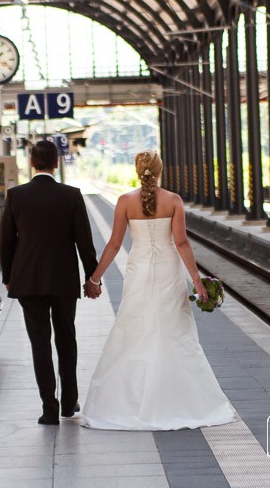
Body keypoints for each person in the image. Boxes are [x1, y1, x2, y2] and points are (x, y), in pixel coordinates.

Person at [81, 150, 238, 430]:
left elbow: (114, 245)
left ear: (136, 170)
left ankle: (132, 399)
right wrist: (198, 281)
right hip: (169, 272)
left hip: (139, 271)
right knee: (175, 331)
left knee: (135, 329)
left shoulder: (125, 201)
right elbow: (181, 243)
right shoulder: (173, 200)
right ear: (161, 170)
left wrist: (94, 278)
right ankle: (181, 400)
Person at [0, 140, 101, 425]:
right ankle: (69, 403)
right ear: (57, 163)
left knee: (39, 343)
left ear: (31, 162)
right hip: (64, 280)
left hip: (28, 281)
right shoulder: (71, 195)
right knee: (66, 338)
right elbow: (85, 242)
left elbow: (6, 241)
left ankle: (48, 408)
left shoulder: (16, 196)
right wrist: (93, 278)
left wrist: (8, 276)